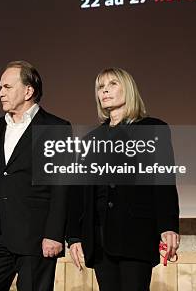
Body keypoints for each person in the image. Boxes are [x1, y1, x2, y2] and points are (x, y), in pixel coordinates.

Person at [66, 67, 180, 291]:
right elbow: (79, 191)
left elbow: (163, 180)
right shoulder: (91, 139)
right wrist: (73, 236)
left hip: (135, 233)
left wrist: (168, 225)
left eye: (112, 84)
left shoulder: (153, 128)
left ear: (128, 89)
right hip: (99, 238)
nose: (105, 91)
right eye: (101, 87)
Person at [0, 60, 71, 291]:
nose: (0, 93)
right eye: (0, 87)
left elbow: (61, 187)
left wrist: (54, 234)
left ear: (28, 91)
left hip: (36, 238)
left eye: (7, 87)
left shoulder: (56, 128)